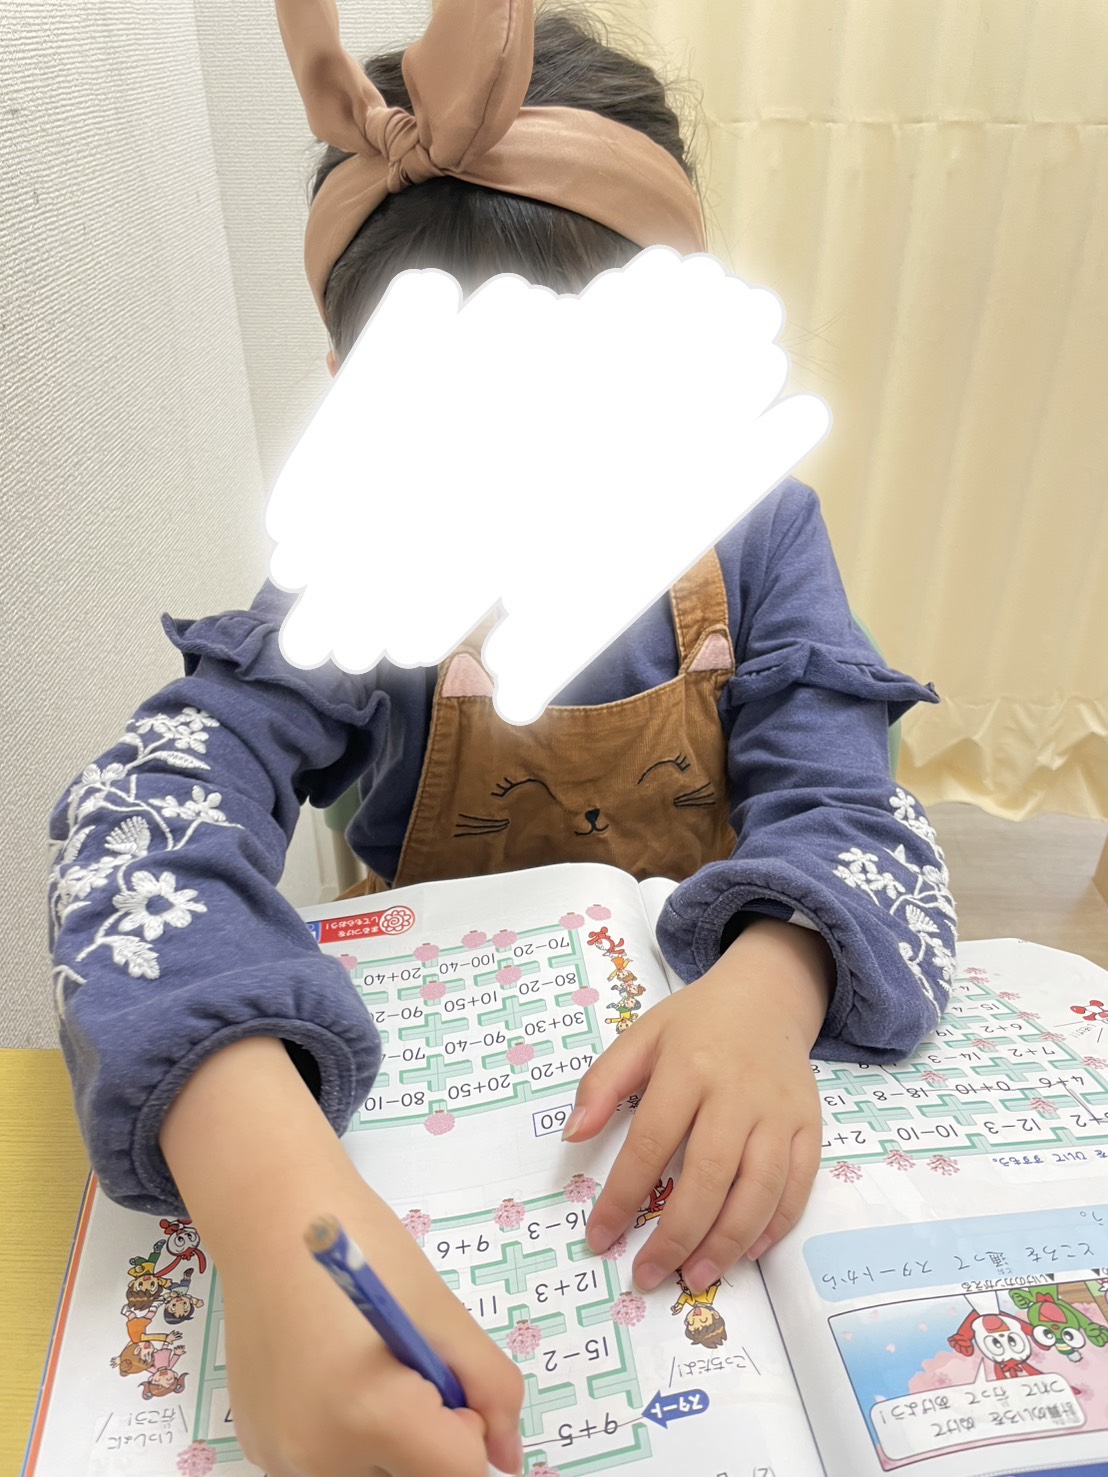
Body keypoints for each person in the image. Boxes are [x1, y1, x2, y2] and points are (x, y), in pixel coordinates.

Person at [47, 1, 957, 1472]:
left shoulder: (764, 531)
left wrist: (777, 980)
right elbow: (137, 824)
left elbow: (852, 809)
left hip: (706, 1061)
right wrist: (268, 1192)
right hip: (449, 1108)